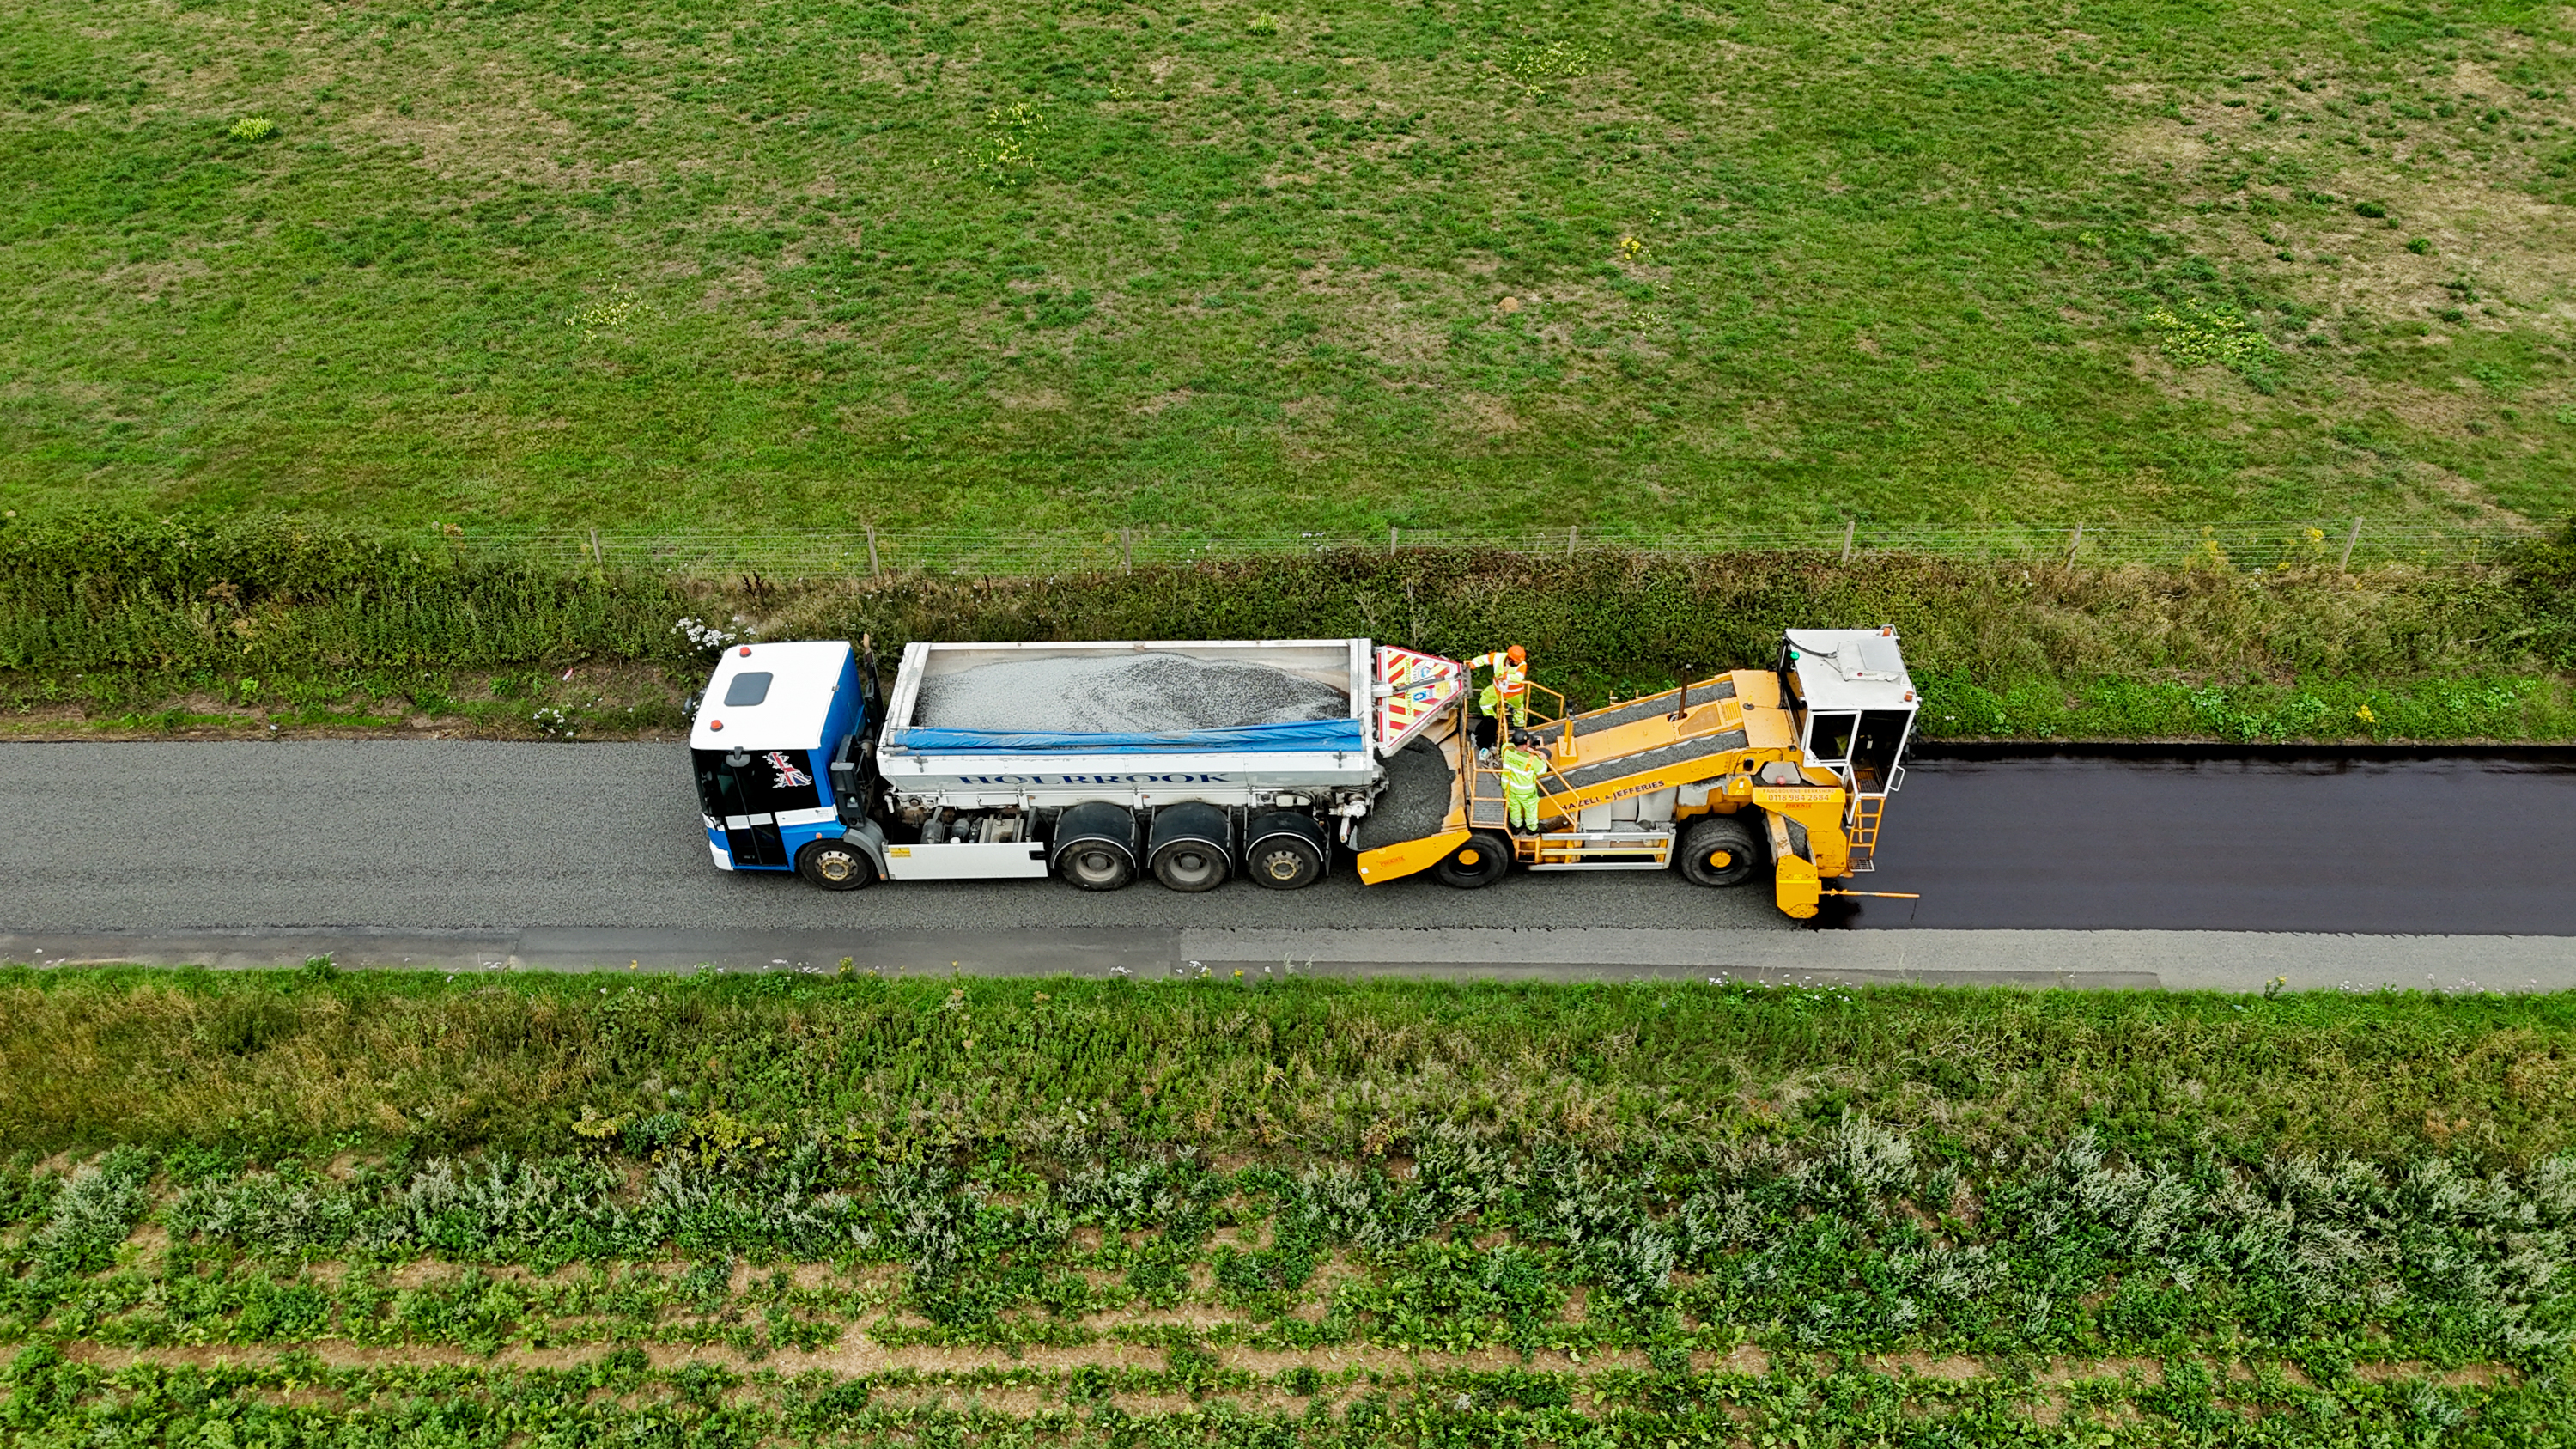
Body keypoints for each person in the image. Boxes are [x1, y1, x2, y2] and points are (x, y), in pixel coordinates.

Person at [1467, 644, 1531, 748]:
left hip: (1514, 693)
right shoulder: (1498, 657)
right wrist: (1473, 664)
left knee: (1519, 709)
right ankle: (1492, 719)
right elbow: (1484, 659)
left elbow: (1519, 678)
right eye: (1516, 661)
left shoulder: (1522, 665)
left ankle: (1519, 727)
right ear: (1510, 659)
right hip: (1497, 689)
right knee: (1484, 701)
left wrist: (1505, 676)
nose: (1519, 662)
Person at [1499, 729, 1546, 834]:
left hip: (1509, 788)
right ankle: (1532, 828)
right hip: (1526, 792)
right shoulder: (1532, 760)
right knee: (1531, 809)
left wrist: (1527, 748)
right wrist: (1543, 759)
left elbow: (1509, 745)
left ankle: (1517, 827)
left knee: (1514, 808)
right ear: (1525, 745)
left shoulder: (1506, 750)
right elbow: (1542, 771)